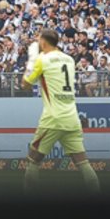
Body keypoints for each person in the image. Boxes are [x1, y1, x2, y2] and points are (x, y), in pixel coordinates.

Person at [20, 28, 99, 194]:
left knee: (33, 160)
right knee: (83, 162)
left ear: (43, 42)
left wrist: (32, 59)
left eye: (39, 40)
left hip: (53, 118)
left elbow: (25, 85)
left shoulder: (42, 59)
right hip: (72, 117)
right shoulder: (69, 59)